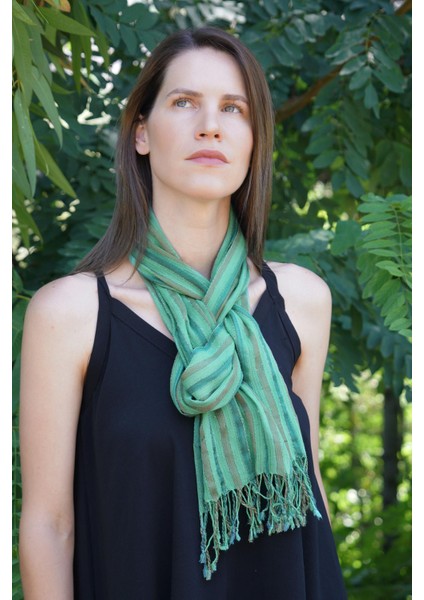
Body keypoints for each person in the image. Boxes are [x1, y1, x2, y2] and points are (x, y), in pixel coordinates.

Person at [19, 26, 347, 599]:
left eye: (233, 108)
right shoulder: (71, 315)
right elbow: (50, 525)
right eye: (184, 102)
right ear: (142, 132)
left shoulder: (302, 302)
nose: (210, 125)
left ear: (254, 140)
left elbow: (307, 488)